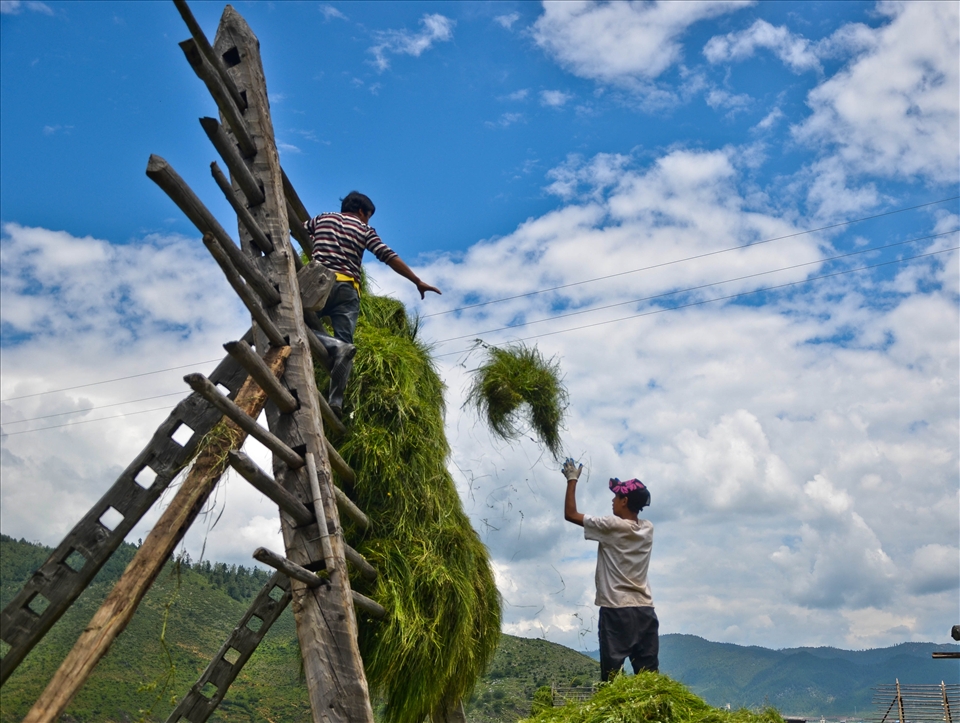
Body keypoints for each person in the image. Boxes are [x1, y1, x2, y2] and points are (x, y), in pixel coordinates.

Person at [305, 191, 441, 417]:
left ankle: (333, 346)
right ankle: (336, 399)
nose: (368, 220)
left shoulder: (322, 218)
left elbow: (298, 227)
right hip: (348, 289)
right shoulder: (365, 230)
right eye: (368, 216)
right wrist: (417, 281)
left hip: (319, 281)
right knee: (345, 344)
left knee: (295, 325)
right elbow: (387, 255)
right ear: (361, 212)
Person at [562, 458, 659, 681]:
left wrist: (572, 479)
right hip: (645, 610)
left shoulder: (612, 526)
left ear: (625, 500)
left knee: (612, 676)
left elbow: (571, 514)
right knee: (649, 679)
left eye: (616, 496)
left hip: (616, 610)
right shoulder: (648, 528)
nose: (613, 500)